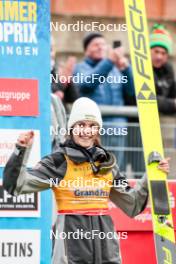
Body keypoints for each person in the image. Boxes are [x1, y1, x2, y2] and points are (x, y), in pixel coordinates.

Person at [3, 98, 169, 264]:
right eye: (81, 124)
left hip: (107, 252)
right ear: (72, 128)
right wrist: (21, 149)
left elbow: (132, 204)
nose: (86, 131)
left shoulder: (107, 162)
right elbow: (15, 185)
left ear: (98, 130)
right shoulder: (58, 161)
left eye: (92, 125)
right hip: (71, 253)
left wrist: (151, 175)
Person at [74, 32, 135, 169]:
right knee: (93, 169)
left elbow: (132, 92)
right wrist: (109, 62)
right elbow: (86, 84)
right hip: (95, 131)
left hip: (118, 128)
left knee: (115, 170)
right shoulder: (81, 68)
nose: (100, 47)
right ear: (86, 50)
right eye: (96, 45)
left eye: (103, 44)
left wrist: (126, 69)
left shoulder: (115, 68)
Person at [150, 24, 176, 114]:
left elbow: (172, 92)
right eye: (156, 51)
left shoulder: (168, 69)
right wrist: (172, 104)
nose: (159, 56)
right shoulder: (140, 68)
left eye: (163, 53)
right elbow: (147, 99)